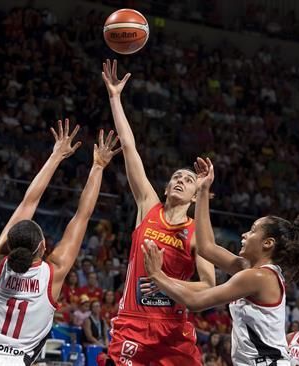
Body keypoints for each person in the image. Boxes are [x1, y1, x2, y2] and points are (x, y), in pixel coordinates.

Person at [0, 120, 120, 366]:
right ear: (43, 246)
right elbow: (82, 216)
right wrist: (98, 166)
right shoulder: (53, 272)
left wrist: (55, 156)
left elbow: (27, 203)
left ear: (8, 244)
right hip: (14, 361)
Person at [141, 158, 299, 366]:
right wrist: (203, 191)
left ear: (268, 243)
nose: (245, 234)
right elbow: (206, 247)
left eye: (253, 230)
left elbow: (196, 302)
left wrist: (158, 276)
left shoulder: (258, 277)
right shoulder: (251, 269)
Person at [102, 59, 215, 366]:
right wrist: (115, 97)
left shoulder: (197, 233)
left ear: (194, 195)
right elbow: (129, 147)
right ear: (166, 189)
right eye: (176, 177)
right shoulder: (148, 207)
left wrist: (165, 281)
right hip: (132, 323)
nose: (181, 180)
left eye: (188, 179)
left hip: (173, 331)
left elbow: (209, 287)